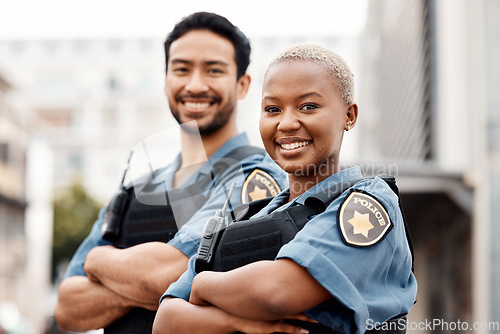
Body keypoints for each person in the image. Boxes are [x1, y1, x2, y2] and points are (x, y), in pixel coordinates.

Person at [152, 44, 417, 334]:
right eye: (272, 109)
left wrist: (203, 284)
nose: (287, 123)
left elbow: (278, 291)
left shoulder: (369, 202)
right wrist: (234, 321)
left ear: (349, 116)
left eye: (308, 106)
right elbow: (165, 321)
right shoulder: (244, 217)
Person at [53, 12, 287, 333]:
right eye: (181, 69)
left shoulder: (260, 177)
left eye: (213, 70)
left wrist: (99, 262)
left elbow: (170, 273)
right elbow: (67, 308)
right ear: (165, 80)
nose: (194, 84)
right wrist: (146, 286)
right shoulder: (134, 191)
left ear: (243, 84)